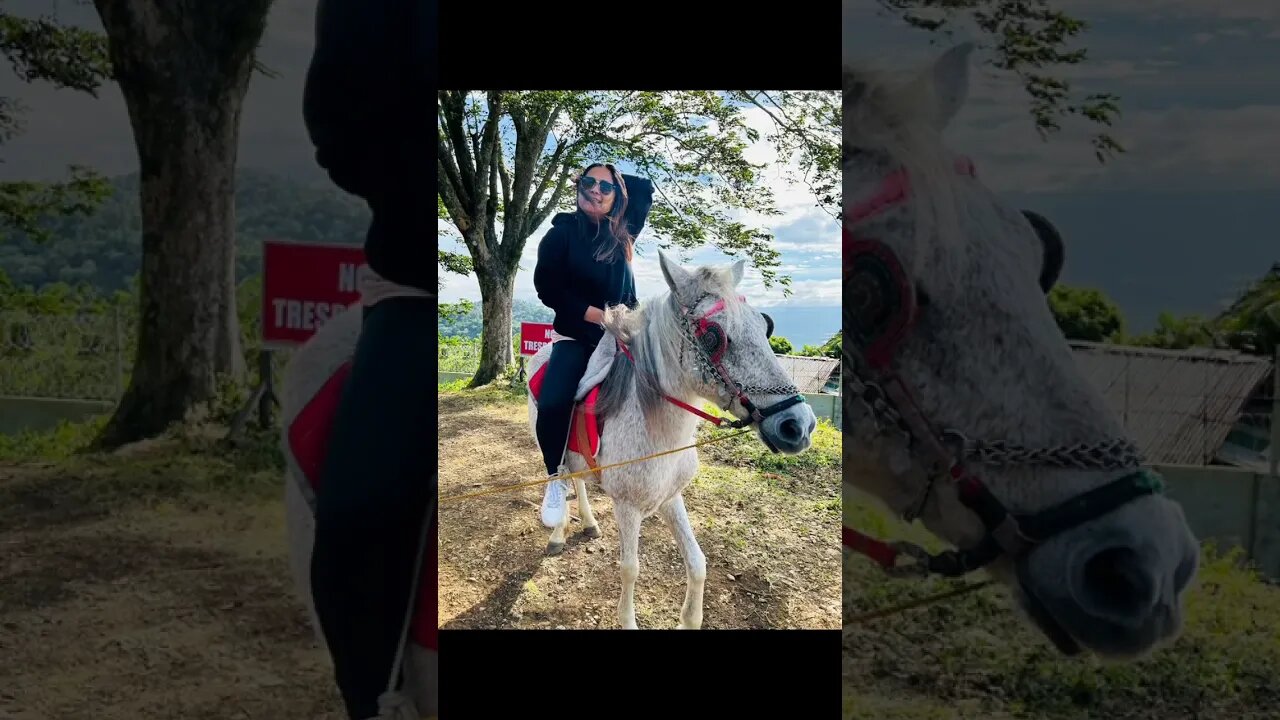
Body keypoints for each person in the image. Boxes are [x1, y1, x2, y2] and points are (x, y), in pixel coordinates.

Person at [301, 0, 434, 718]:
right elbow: (338, 119)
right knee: (361, 511)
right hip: (419, 282)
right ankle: (373, 696)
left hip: (610, 315)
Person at [532, 162, 654, 529]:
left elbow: (643, 189)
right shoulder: (561, 235)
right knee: (553, 401)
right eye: (589, 183)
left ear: (618, 197)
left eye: (606, 187)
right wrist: (600, 317)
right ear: (577, 188)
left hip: (623, 334)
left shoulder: (622, 234)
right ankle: (555, 478)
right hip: (577, 337)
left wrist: (612, 182)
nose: (596, 191)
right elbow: (549, 290)